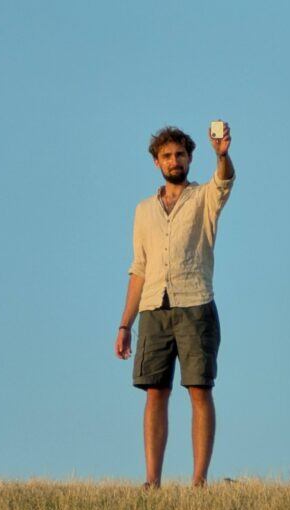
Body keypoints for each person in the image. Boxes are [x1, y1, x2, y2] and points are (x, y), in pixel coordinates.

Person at [115, 123, 235, 488]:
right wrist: (124, 325)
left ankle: (199, 481)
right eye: (167, 155)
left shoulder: (203, 199)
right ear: (156, 162)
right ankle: (152, 481)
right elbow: (138, 268)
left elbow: (224, 181)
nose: (174, 160)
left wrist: (223, 154)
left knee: (199, 389)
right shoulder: (143, 210)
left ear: (190, 158)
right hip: (153, 308)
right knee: (155, 392)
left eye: (180, 154)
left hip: (195, 303)